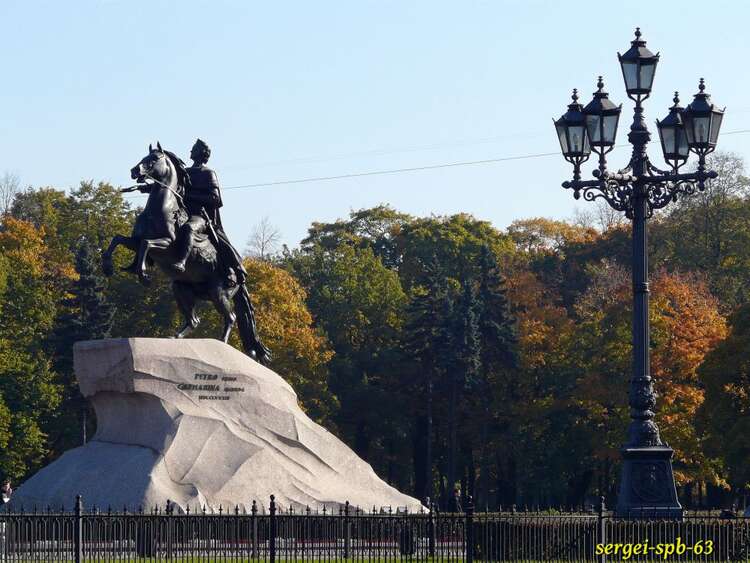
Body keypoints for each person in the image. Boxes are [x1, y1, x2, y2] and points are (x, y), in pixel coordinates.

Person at [173, 139, 247, 286]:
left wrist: (189, 196)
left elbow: (216, 199)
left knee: (188, 229)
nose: (190, 152)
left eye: (193, 149)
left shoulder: (208, 173)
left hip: (199, 216)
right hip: (182, 213)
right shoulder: (185, 172)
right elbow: (174, 189)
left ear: (201, 153)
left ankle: (234, 268)